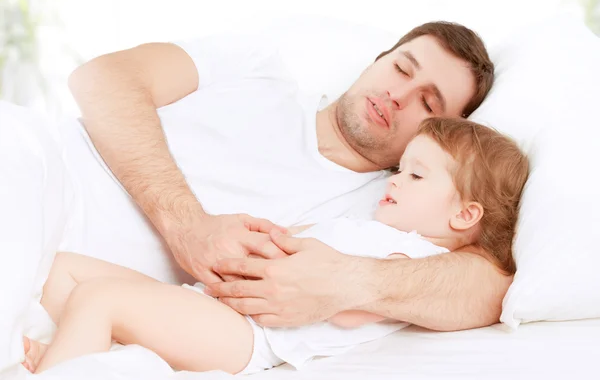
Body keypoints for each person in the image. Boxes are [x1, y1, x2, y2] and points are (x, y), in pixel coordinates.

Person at [58, 20, 500, 333]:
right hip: (39, 165)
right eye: (402, 69)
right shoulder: (258, 67)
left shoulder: (387, 212)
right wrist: (186, 224)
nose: (398, 95)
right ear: (376, 61)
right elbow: (101, 77)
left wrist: (350, 285)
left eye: (428, 102)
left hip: (69, 280)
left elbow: (489, 288)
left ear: (441, 131)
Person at [22, 117, 529, 375]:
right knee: (64, 269)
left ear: (464, 215)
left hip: (246, 338)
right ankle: (80, 355)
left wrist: (326, 272)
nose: (395, 181)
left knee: (99, 298)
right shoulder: (378, 231)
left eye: (417, 175)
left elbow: (353, 310)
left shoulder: (416, 262)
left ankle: (66, 363)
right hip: (211, 303)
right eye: (400, 168)